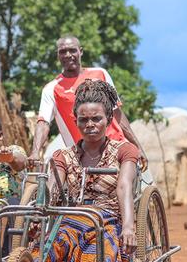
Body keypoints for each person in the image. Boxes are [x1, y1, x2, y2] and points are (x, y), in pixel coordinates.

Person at [38, 79, 139, 262]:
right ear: (75, 120)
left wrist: (129, 227)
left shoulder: (124, 151)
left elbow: (124, 187)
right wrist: (41, 209)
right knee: (42, 255)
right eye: (83, 120)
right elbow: (54, 187)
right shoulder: (63, 155)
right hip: (71, 220)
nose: (90, 125)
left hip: (108, 222)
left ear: (109, 119)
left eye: (96, 119)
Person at [29, 36, 145, 166]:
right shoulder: (51, 89)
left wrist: (137, 146)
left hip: (116, 147)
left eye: (72, 50)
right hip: (84, 157)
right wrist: (35, 152)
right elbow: (43, 122)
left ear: (81, 51)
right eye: (62, 51)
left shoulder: (100, 74)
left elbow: (117, 113)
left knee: (128, 184)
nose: (68, 55)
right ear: (58, 55)